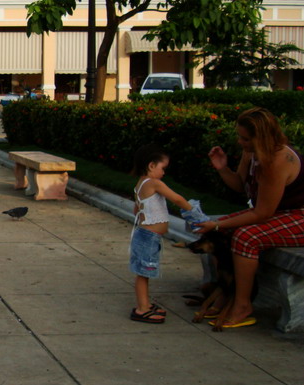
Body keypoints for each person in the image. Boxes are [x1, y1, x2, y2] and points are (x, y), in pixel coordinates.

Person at [196, 107, 304, 328]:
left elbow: (262, 213)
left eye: (245, 138)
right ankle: (225, 292)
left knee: (246, 237)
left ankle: (243, 305)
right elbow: (240, 185)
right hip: (278, 213)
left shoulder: (278, 160)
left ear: (261, 137)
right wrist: (222, 168)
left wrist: (217, 223)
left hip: (298, 216)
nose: (240, 142)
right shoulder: (252, 153)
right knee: (220, 232)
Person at [130, 144, 196, 323]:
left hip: (146, 236)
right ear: (152, 165)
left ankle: (145, 305)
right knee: (143, 273)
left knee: (144, 272)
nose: (164, 173)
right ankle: (142, 308)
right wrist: (194, 212)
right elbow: (176, 198)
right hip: (147, 237)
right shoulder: (154, 183)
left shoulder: (141, 183)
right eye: (163, 168)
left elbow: (137, 209)